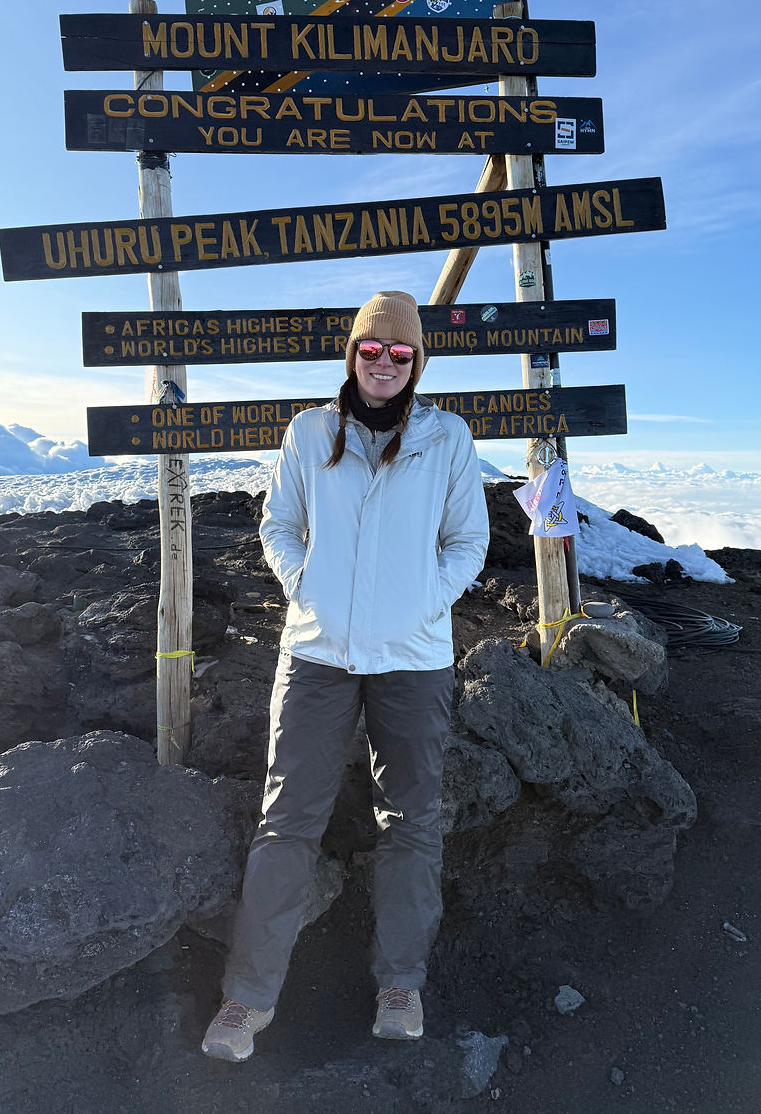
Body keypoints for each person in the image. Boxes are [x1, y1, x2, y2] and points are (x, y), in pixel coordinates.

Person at [202, 290, 489, 1062]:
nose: (384, 362)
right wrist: (307, 586)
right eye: (371, 347)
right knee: (287, 819)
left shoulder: (448, 439)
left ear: (416, 361)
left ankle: (400, 982)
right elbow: (278, 523)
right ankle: (248, 996)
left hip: (414, 659)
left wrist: (421, 600)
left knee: (412, 820)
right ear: (353, 352)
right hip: (317, 653)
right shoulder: (309, 432)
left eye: (400, 351)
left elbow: (468, 541)